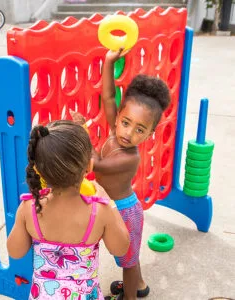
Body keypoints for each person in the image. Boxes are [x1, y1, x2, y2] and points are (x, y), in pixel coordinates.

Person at [71, 48, 171, 300]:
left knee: (127, 261)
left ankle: (129, 297)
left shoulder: (129, 157)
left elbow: (93, 163)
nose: (128, 133)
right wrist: (108, 61)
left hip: (126, 212)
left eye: (140, 130)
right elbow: (107, 97)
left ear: (149, 135)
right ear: (118, 119)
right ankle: (139, 286)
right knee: (130, 255)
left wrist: (81, 130)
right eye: (125, 122)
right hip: (115, 207)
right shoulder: (117, 132)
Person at [7, 120, 130, 299]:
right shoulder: (99, 212)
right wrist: (109, 203)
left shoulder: (29, 208)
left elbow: (15, 252)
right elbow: (121, 248)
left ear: (38, 170)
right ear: (88, 167)